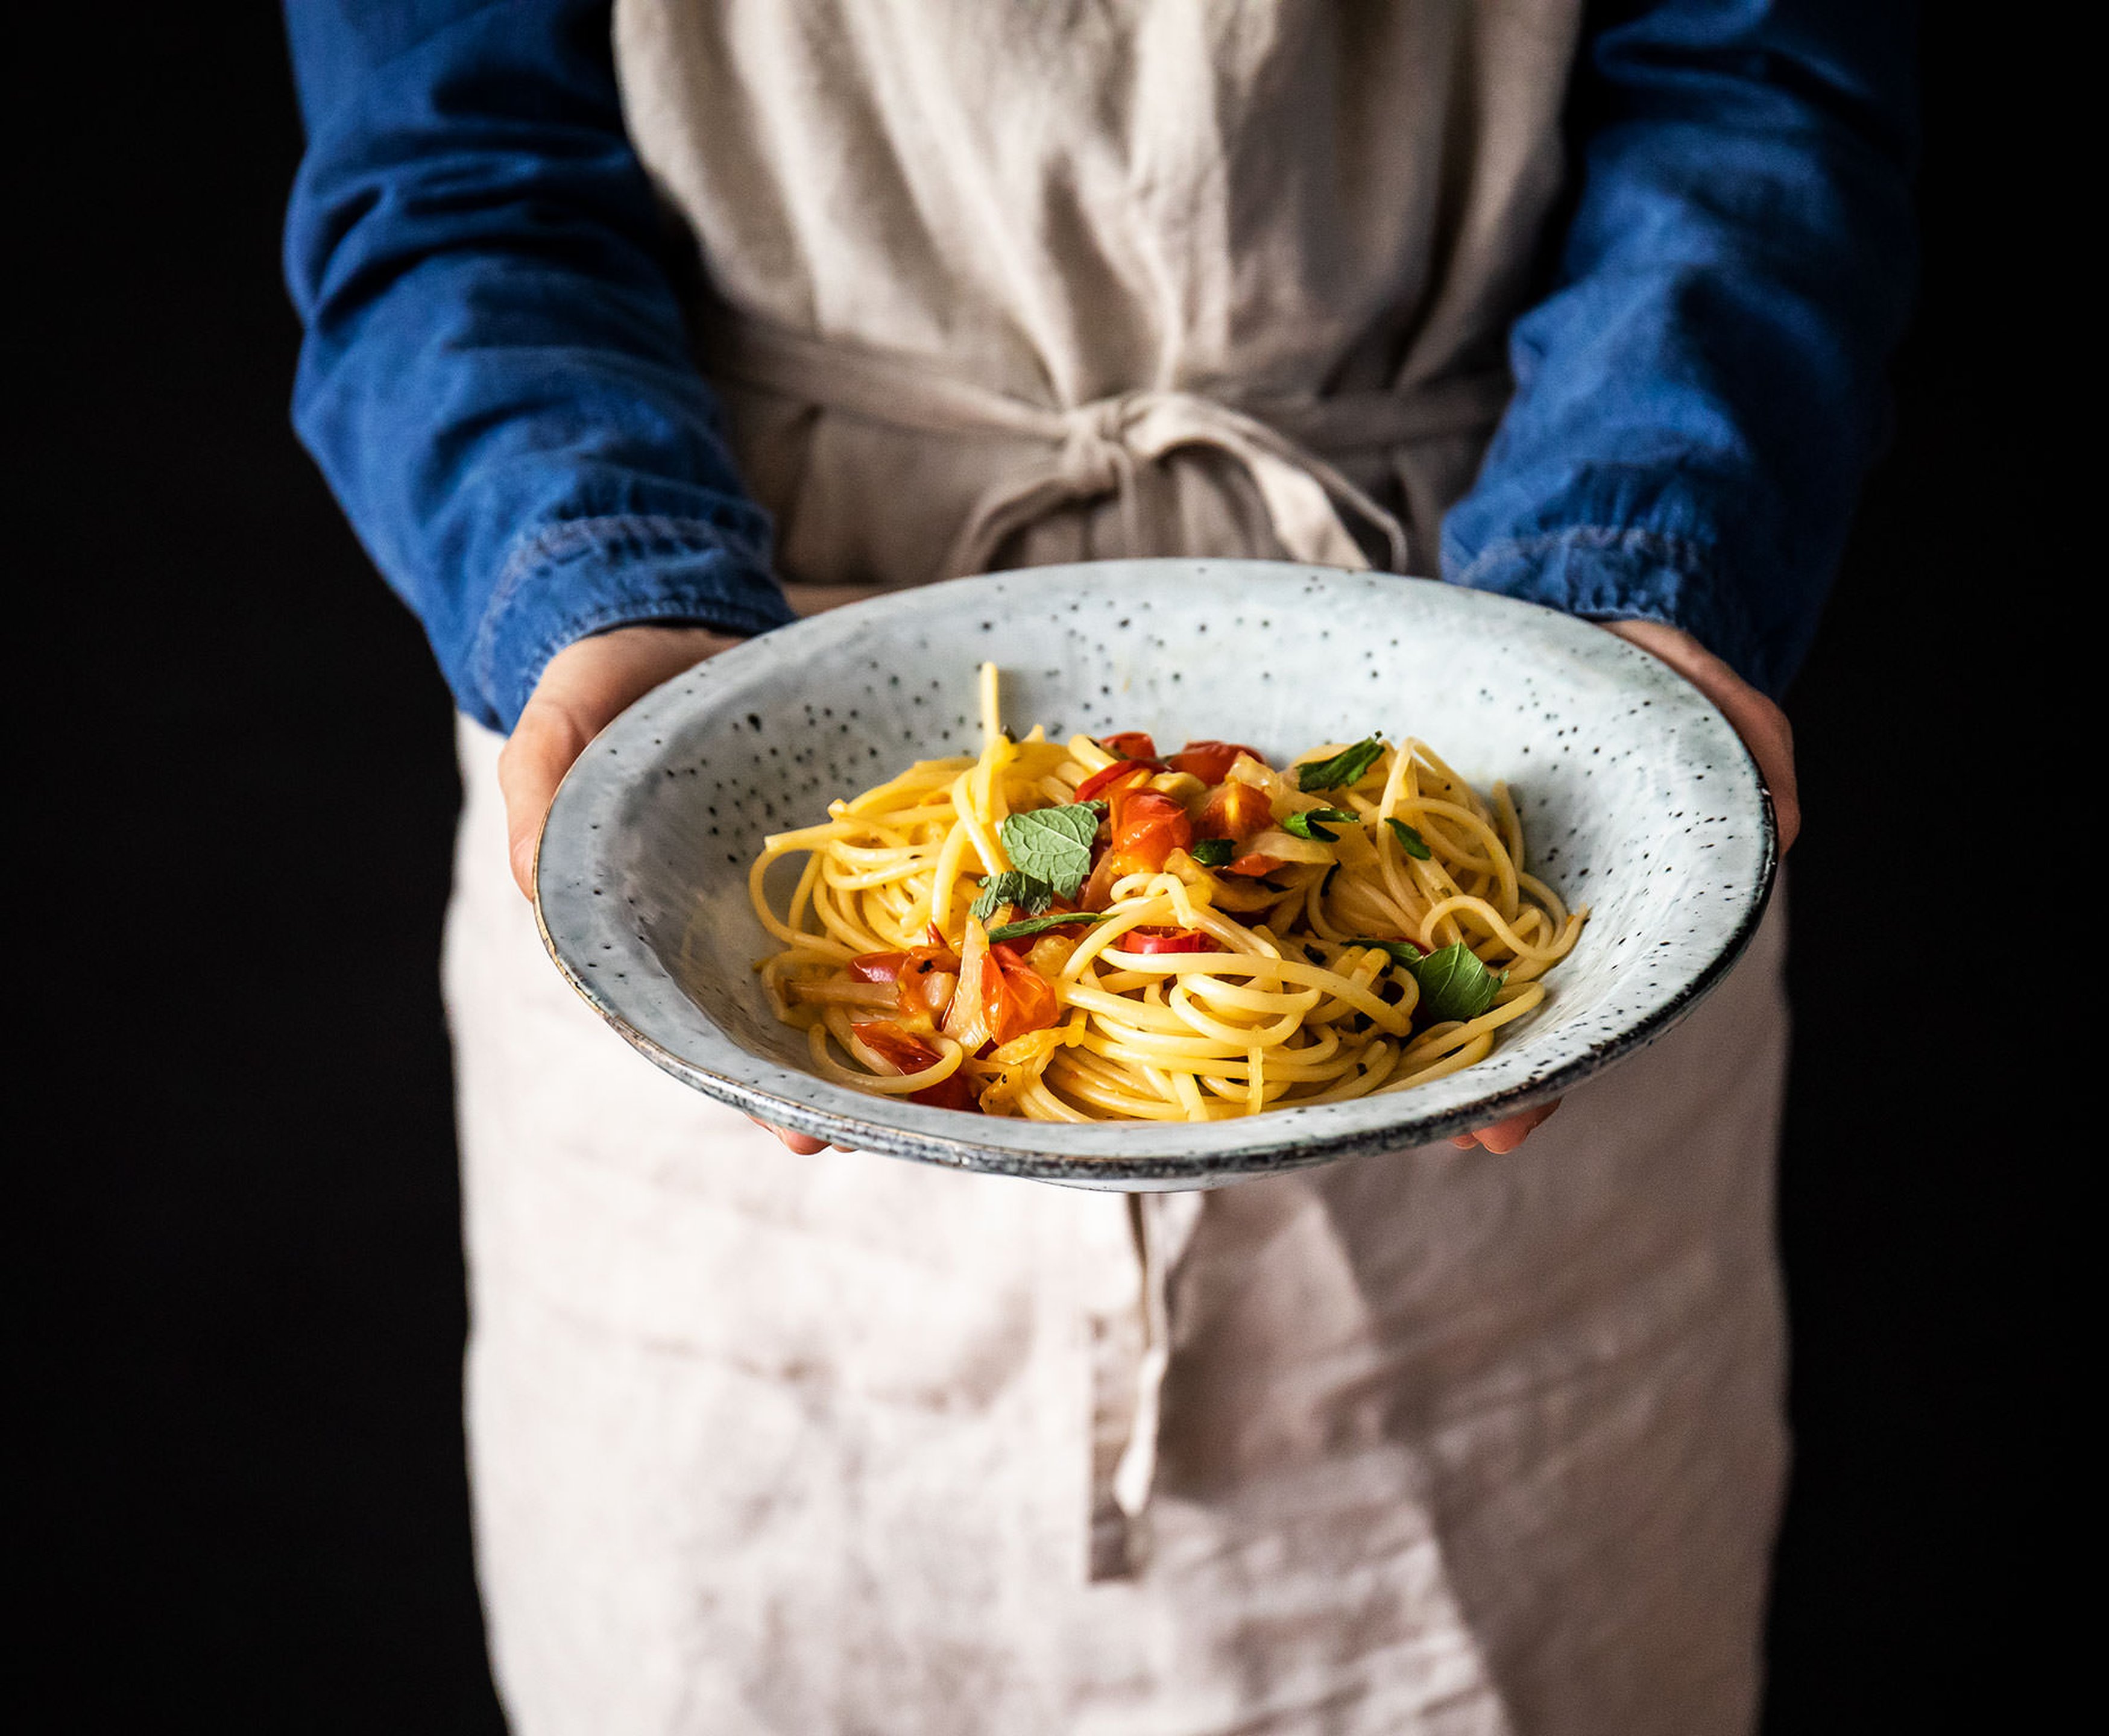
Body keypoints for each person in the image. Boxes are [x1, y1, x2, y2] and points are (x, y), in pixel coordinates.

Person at [284, 2, 1912, 1729]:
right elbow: (451, 169)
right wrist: (603, 589)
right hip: (741, 708)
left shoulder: (1510, 771)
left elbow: (1755, 78)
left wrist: (1628, 588)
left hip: (1488, 690)